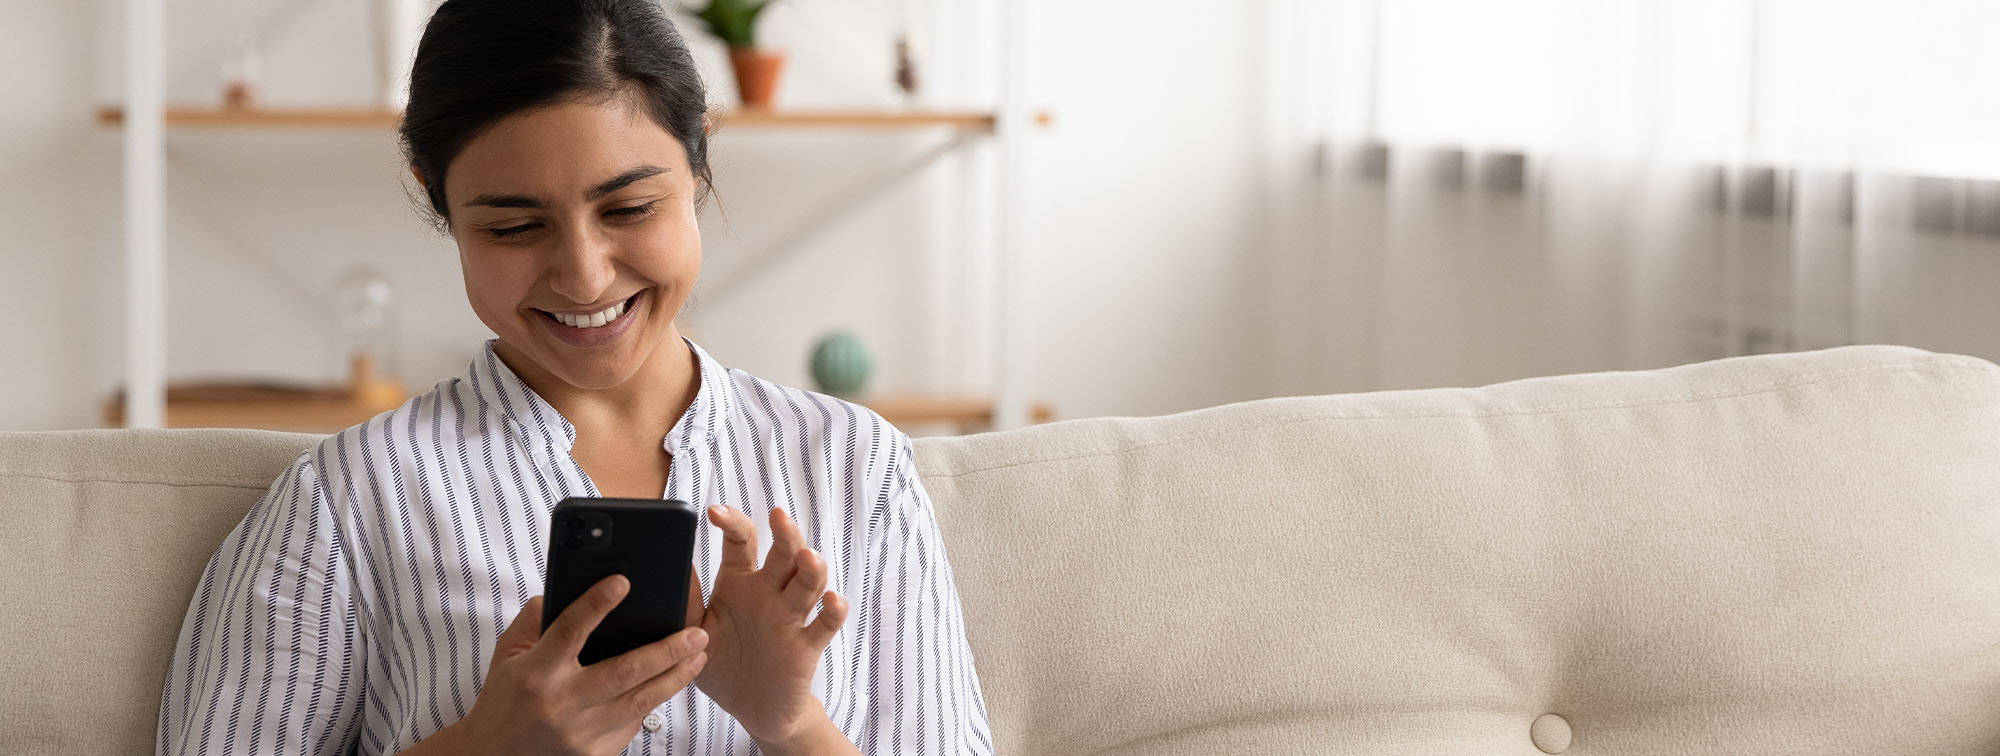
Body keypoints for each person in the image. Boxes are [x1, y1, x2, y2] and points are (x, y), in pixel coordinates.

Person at [155, 1, 992, 754]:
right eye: (515, 226)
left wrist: (792, 727)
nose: (586, 277)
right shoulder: (348, 499)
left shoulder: (857, 468)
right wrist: (484, 747)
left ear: (698, 161)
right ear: (439, 201)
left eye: (629, 209)